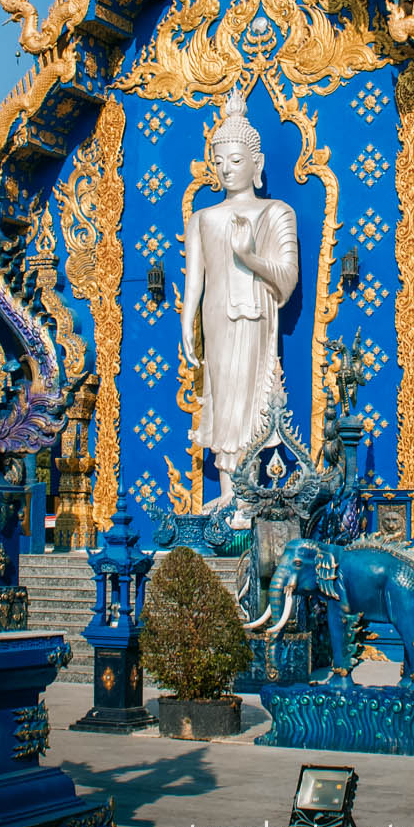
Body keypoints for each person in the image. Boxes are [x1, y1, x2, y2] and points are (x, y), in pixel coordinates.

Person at [181, 89, 299, 511]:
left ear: (257, 164)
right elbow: (194, 281)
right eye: (219, 161)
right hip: (216, 320)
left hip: (253, 316)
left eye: (235, 160)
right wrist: (186, 327)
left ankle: (247, 494)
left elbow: (287, 280)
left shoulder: (276, 213)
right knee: (222, 398)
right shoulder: (203, 218)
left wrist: (249, 256)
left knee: (250, 403)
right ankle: (228, 491)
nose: (227, 169)